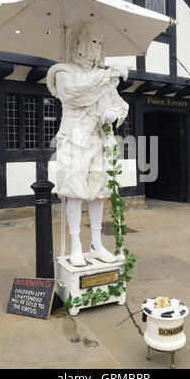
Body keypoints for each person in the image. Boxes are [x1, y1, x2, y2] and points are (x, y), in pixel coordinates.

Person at [46, 22, 129, 266]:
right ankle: (74, 245)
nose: (98, 47)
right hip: (75, 138)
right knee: (74, 191)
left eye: (100, 43)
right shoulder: (64, 73)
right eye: (94, 42)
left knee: (98, 191)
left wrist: (113, 112)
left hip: (99, 139)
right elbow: (77, 93)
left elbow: (120, 103)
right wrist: (109, 74)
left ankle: (96, 243)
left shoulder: (104, 78)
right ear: (79, 43)